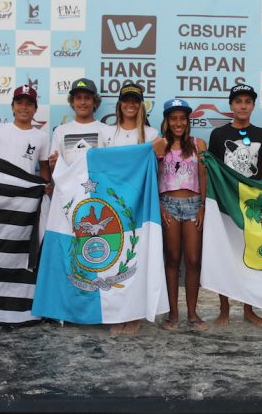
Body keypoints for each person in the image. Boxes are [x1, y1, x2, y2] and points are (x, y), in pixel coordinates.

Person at [98, 82, 162, 336]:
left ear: (142, 105)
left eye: (135, 101)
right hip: (112, 206)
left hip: (141, 206)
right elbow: (97, 167)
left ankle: (135, 315)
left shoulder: (152, 133)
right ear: (119, 104)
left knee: (138, 258)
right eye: (126, 101)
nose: (131, 105)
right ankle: (117, 313)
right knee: (114, 261)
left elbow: (155, 168)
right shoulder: (106, 133)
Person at [207, 84, 262, 327]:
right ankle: (224, 309)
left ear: (253, 105)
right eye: (238, 101)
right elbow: (213, 170)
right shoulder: (218, 135)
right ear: (231, 105)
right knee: (225, 257)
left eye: (247, 101)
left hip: (251, 206)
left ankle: (249, 309)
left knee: (250, 259)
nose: (243, 106)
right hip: (225, 204)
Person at [159, 99, 208, 331]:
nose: (178, 122)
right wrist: (159, 204)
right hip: (168, 204)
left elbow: (203, 176)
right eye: (173, 118)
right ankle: (173, 313)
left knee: (193, 260)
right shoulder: (159, 145)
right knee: (172, 258)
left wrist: (202, 207)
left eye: (182, 118)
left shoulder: (198, 144)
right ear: (167, 121)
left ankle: (192, 312)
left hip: (192, 204)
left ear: (188, 121)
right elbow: (154, 176)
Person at [49, 78, 108, 169]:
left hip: (97, 183)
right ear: (72, 102)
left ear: (95, 102)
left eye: (87, 98)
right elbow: (55, 169)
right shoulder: (60, 131)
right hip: (68, 183)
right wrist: (53, 165)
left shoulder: (106, 130)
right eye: (78, 98)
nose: (83, 102)